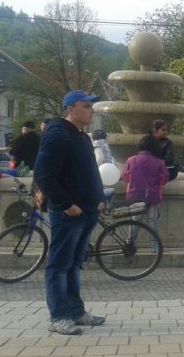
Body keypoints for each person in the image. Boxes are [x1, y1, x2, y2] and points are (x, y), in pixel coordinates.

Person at [34, 90, 108, 336]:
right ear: (70, 109)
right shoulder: (57, 134)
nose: (91, 110)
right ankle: (58, 316)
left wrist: (99, 198)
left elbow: (91, 171)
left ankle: (76, 311)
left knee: (74, 264)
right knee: (59, 265)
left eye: (91, 106)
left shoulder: (82, 137)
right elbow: (43, 175)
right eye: (86, 106)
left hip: (87, 210)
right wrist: (66, 204)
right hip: (69, 213)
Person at [122, 135, 169, 234]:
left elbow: (125, 177)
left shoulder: (131, 160)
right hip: (153, 194)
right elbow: (164, 179)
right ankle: (155, 243)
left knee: (135, 220)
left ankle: (130, 241)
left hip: (135, 194)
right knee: (153, 220)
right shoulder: (159, 162)